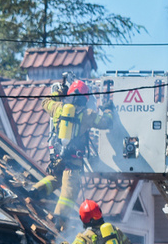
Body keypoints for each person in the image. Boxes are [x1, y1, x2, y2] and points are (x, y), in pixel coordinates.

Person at [41, 78, 114, 229]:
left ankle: (34, 191)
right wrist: (108, 110)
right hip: (73, 160)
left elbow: (45, 102)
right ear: (85, 98)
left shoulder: (58, 107)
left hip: (56, 156)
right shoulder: (88, 114)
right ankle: (58, 219)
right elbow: (106, 123)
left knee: (54, 178)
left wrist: (58, 93)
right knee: (69, 191)